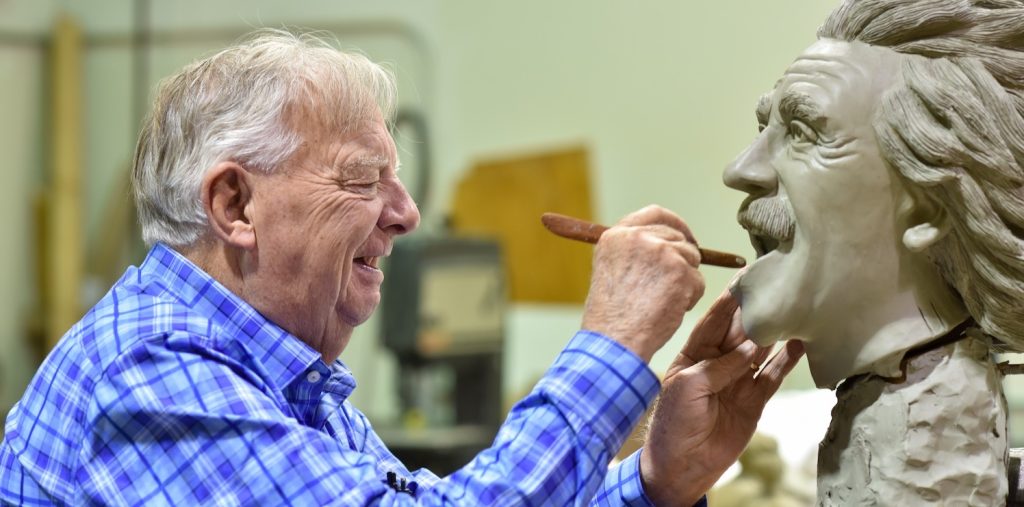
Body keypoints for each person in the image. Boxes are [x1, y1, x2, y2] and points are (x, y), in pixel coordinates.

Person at [0, 29, 802, 505]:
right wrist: (611, 346)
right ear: (236, 206)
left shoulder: (280, 375)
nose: (407, 213)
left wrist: (658, 478)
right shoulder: (152, 370)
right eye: (362, 177)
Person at [722, 0, 1024, 502]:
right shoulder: (879, 407)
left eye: (802, 132)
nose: (741, 169)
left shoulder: (932, 431)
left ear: (928, 208)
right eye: (764, 130)